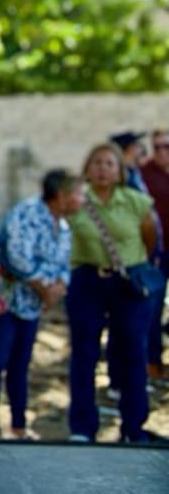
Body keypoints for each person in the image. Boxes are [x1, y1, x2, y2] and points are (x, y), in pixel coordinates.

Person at [0, 169, 83, 439]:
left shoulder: (62, 225)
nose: (82, 199)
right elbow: (18, 256)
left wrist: (57, 287)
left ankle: (19, 426)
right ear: (61, 195)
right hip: (3, 299)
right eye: (78, 193)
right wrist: (44, 288)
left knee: (21, 364)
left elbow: (64, 264)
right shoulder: (26, 214)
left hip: (31, 304)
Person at [66, 142, 158, 443]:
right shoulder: (75, 202)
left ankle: (133, 427)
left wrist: (136, 266)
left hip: (128, 284)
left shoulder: (136, 201)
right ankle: (82, 427)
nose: (103, 169)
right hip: (87, 281)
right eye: (97, 163)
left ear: (120, 171)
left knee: (133, 352)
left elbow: (150, 238)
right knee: (84, 353)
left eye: (109, 164)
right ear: (87, 170)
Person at [141, 128, 169, 383]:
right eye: (157, 146)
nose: (161, 151)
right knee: (153, 307)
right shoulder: (144, 174)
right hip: (157, 253)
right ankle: (153, 362)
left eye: (166, 146)